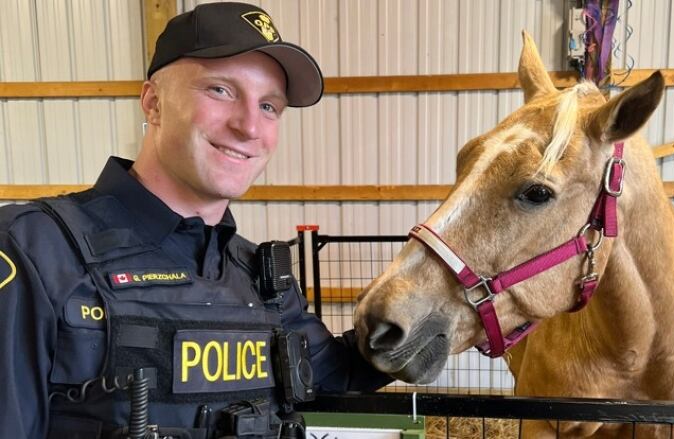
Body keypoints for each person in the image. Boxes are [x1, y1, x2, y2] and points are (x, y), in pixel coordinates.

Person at [0, 3, 391, 438]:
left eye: (269, 106)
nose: (249, 126)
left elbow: (334, 374)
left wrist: (451, 310)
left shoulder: (259, 279)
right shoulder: (32, 250)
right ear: (153, 103)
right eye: (220, 90)